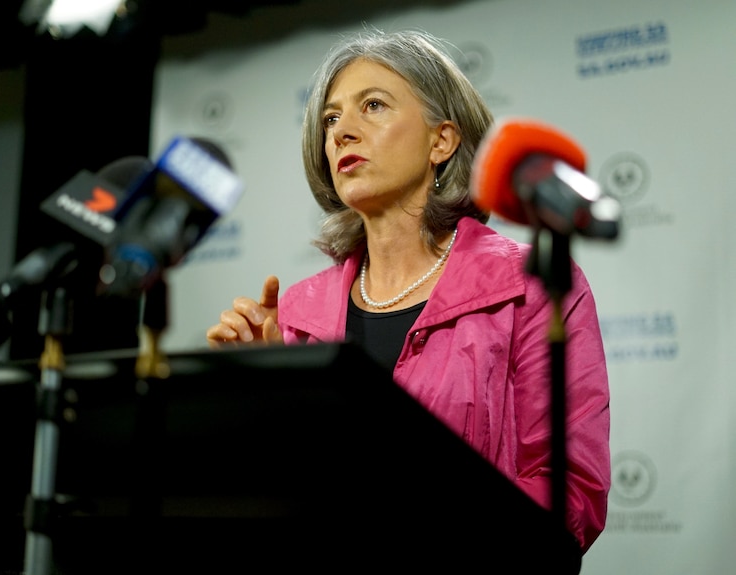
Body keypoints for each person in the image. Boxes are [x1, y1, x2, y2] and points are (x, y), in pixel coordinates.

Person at [205, 27, 610, 554]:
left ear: (441, 141)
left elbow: (570, 491)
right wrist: (255, 397)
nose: (342, 132)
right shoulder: (293, 316)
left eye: (372, 106)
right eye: (330, 118)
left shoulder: (530, 288)